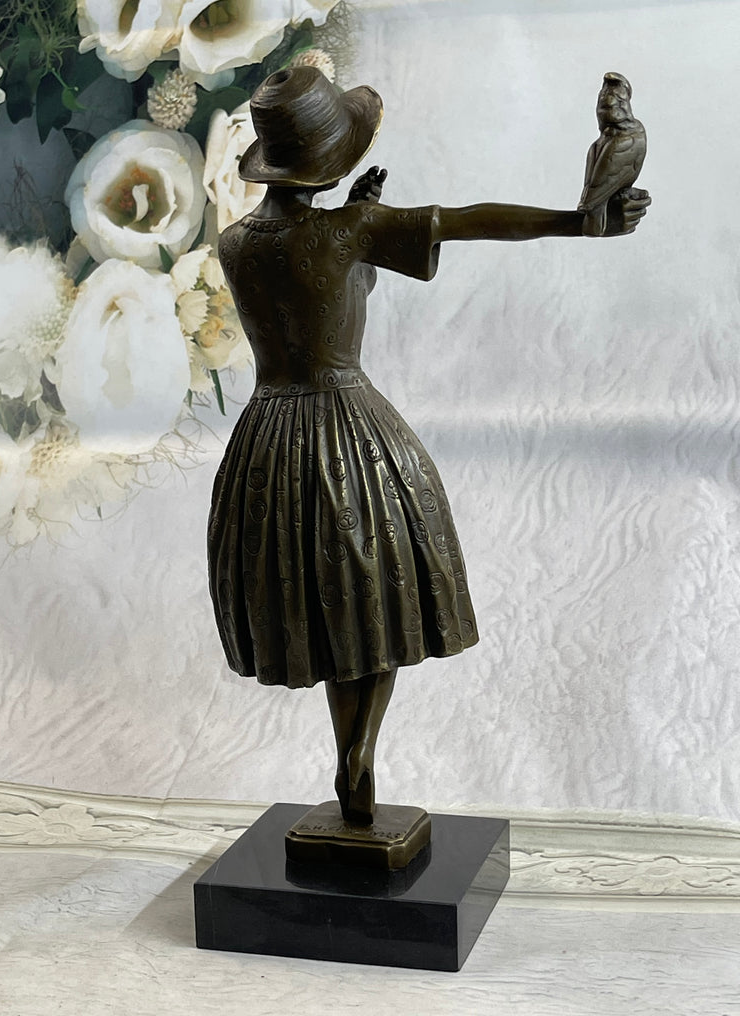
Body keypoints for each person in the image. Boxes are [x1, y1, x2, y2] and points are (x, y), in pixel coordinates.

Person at [208, 66, 649, 826]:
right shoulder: (349, 230)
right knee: (379, 594)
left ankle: (348, 756)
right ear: (327, 163)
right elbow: (468, 220)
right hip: (348, 429)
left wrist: (357, 223)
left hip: (268, 437)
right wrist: (577, 222)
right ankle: (359, 752)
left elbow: (314, 294)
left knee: (320, 602)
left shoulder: (236, 243)